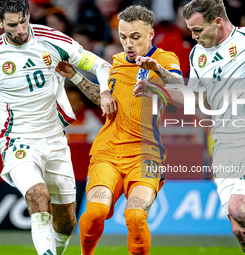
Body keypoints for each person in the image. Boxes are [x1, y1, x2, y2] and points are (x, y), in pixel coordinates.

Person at [0, 0, 116, 255]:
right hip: (16, 140)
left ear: (28, 15)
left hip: (55, 139)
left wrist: (105, 92)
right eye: (12, 25)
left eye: (23, 21)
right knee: (38, 196)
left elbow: (101, 65)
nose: (20, 29)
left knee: (66, 221)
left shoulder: (53, 40)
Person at [134, 0, 245, 254]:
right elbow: (198, 100)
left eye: (198, 30)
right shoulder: (198, 54)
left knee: (240, 209)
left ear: (218, 22)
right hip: (223, 144)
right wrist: (160, 87)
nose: (193, 37)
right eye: (191, 30)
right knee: (241, 230)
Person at [74, 5, 183, 255]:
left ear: (150, 34)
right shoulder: (117, 61)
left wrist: (157, 70)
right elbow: (107, 100)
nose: (128, 44)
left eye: (135, 37)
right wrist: (84, 83)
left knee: (135, 216)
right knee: (95, 212)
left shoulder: (165, 59)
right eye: (123, 37)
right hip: (108, 151)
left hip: (146, 155)